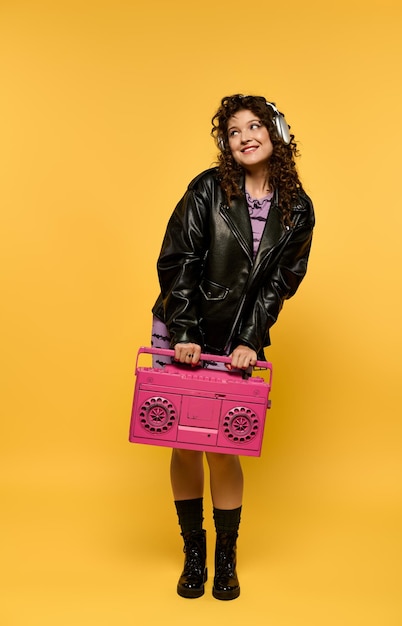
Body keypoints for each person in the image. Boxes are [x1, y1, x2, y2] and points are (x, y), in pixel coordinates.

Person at [150, 94, 315, 600]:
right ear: (226, 143)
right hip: (183, 327)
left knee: (222, 449)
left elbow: (279, 285)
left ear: (277, 133)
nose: (244, 136)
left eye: (255, 126)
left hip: (236, 341)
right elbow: (179, 259)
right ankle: (193, 555)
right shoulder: (208, 188)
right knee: (183, 441)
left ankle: (226, 558)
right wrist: (184, 331)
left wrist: (249, 339)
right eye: (234, 130)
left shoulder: (298, 210)